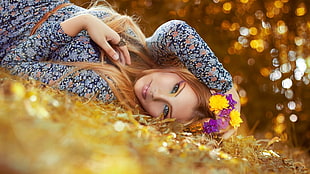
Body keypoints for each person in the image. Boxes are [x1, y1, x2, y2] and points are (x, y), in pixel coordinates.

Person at [0, 0, 241, 135]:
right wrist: (225, 88)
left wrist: (81, 22)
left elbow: (13, 65)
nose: (155, 95)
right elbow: (177, 32)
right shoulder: (147, 52)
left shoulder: (104, 88)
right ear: (176, 72)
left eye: (165, 110)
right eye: (175, 88)